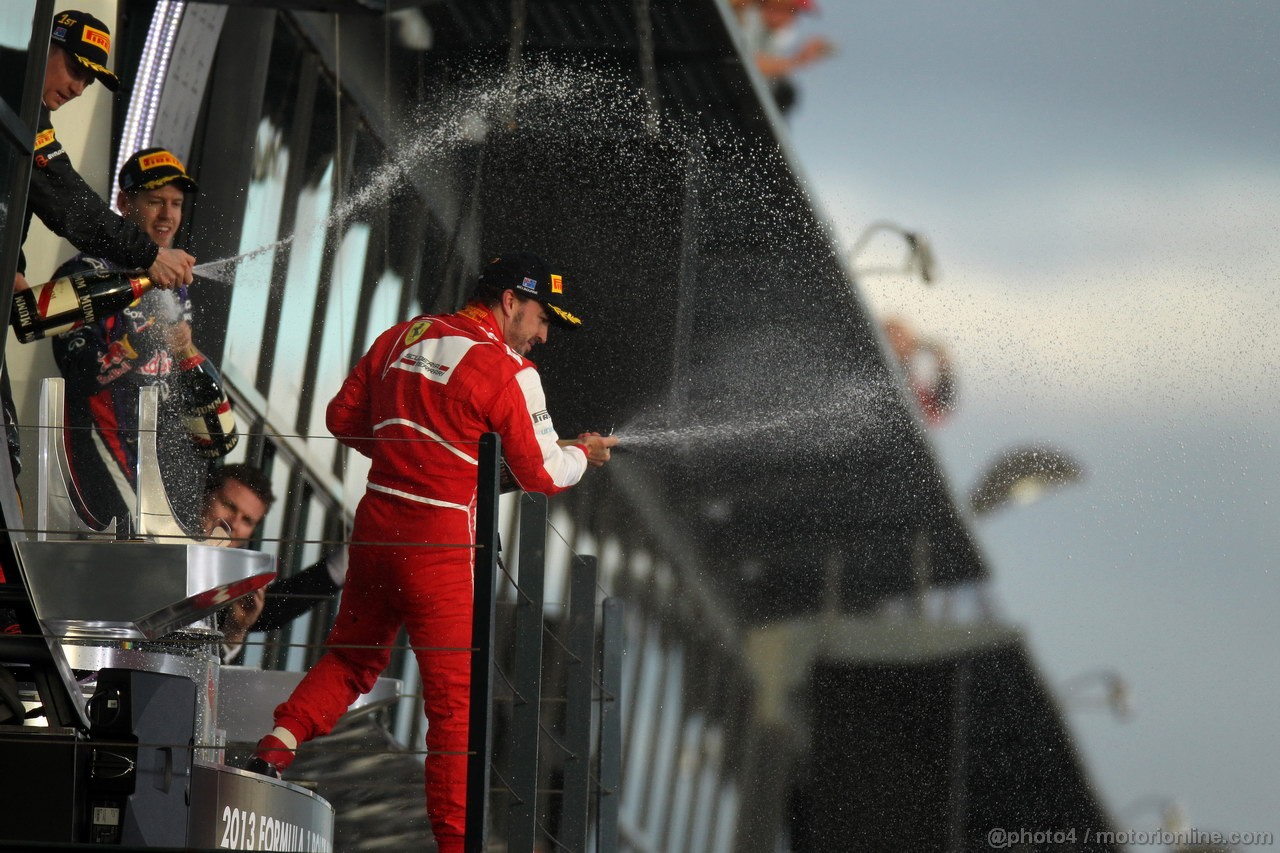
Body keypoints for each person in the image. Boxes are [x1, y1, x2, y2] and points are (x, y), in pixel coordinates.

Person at [247, 252, 618, 853]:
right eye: (543, 317)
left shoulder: (405, 334)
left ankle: (271, 752)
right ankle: (454, 847)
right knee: (455, 709)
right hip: (439, 546)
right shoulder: (509, 370)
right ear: (508, 302)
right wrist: (585, 455)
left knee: (348, 661)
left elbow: (343, 417)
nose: (545, 333)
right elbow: (543, 472)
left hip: (375, 528)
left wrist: (410, 458)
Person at [52, 147, 237, 531]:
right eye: (155, 202)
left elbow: (174, 370)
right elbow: (79, 372)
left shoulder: (175, 284)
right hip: (103, 450)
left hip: (165, 455)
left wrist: (196, 368)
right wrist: (142, 343)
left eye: (175, 203)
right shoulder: (86, 274)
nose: (167, 215)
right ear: (123, 202)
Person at [16, 10, 195, 295]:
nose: (78, 89)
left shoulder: (24, 109)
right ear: (44, 45)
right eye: (76, 70)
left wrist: (13, 271)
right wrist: (150, 255)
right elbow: (64, 195)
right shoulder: (16, 103)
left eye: (88, 81)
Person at [202, 464, 347, 667]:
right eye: (229, 505)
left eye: (247, 520)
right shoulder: (154, 531)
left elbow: (278, 606)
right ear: (204, 496)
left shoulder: (233, 586)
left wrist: (236, 629)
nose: (233, 524)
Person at [732, 0, 834, 114]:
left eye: (794, 12)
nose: (790, 18)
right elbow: (743, 64)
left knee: (785, 91)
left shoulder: (778, 35)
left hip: (737, 89)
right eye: (788, 9)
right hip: (720, 77)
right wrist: (798, 60)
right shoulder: (746, 15)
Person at [882, 315, 956, 426]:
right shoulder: (870, 372)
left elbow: (938, 408)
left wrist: (944, 364)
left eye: (902, 337)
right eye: (892, 335)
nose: (899, 342)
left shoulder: (912, 389)